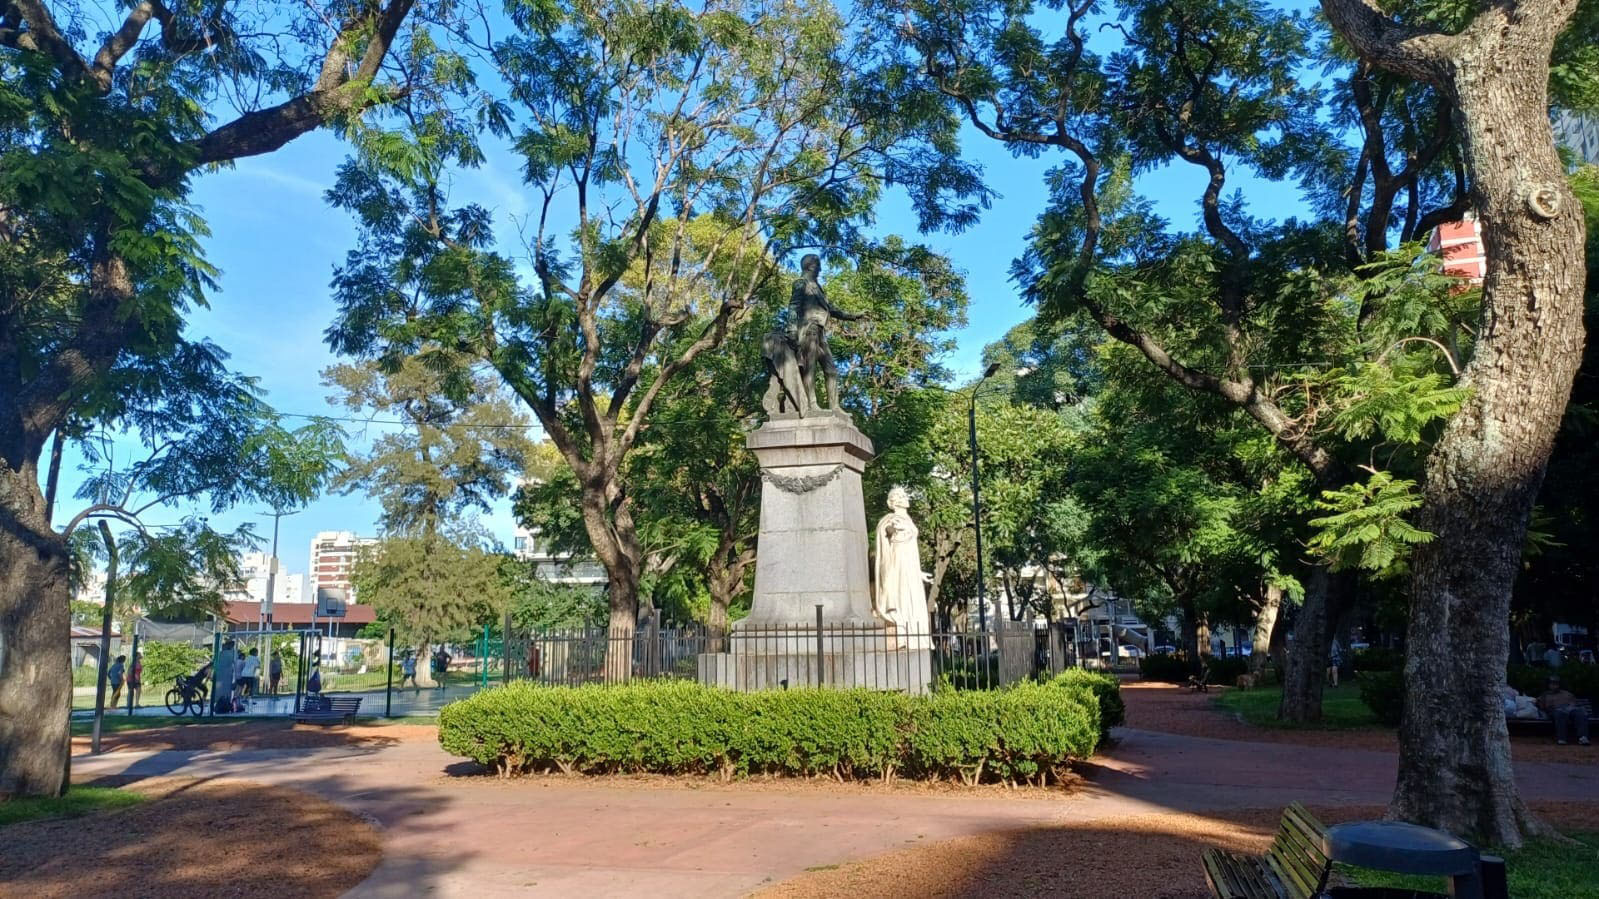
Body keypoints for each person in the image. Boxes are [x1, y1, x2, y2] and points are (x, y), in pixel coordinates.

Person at [873, 486, 931, 650]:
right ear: (893, 502)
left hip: (910, 565)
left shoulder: (908, 519)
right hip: (899, 564)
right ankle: (903, 635)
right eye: (901, 495)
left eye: (905, 495)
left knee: (913, 598)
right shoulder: (891, 519)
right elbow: (887, 529)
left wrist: (919, 572)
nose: (906, 497)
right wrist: (892, 529)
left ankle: (914, 637)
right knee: (902, 597)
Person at [1537, 676, 1590, 746]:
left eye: (1556, 684)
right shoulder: (1545, 695)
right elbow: (1542, 707)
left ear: (1559, 685)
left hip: (1569, 709)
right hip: (1555, 710)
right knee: (1560, 713)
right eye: (1552, 684)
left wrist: (1571, 706)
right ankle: (1562, 738)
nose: (1554, 685)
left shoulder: (1567, 693)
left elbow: (1574, 702)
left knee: (1579, 713)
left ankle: (1583, 737)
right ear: (1548, 685)